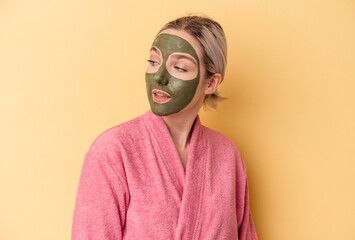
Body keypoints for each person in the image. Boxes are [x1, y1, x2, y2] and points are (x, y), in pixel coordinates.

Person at [72, 15, 258, 239]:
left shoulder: (228, 156)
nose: (159, 77)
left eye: (179, 67)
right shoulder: (112, 151)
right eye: (153, 62)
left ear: (211, 83)